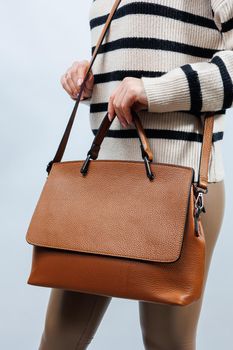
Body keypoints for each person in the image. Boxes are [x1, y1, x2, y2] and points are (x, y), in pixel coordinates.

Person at [39, 0, 232, 349]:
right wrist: (87, 78)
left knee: (165, 342)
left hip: (180, 185)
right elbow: (135, 63)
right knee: (58, 340)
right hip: (102, 183)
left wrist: (155, 90)